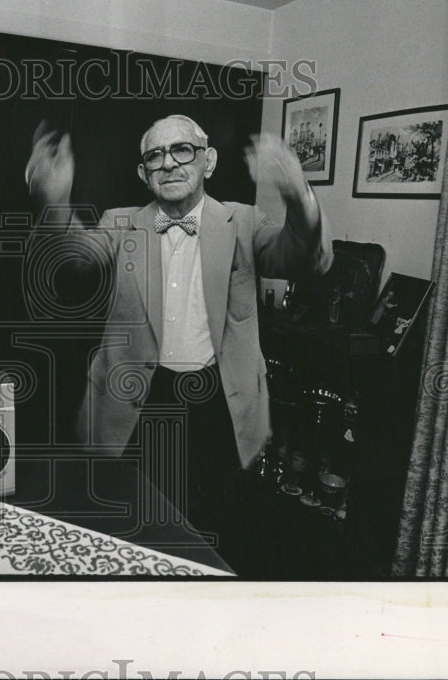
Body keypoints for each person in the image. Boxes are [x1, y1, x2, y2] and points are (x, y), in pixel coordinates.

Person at [24, 114, 333, 572]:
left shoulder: (243, 221)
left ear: (207, 161)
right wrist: (54, 202)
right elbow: (73, 260)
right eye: (155, 156)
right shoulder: (120, 222)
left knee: (211, 530)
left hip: (217, 404)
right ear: (142, 174)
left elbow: (307, 259)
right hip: (136, 402)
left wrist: (298, 194)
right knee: (128, 532)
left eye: (181, 150)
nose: (168, 164)